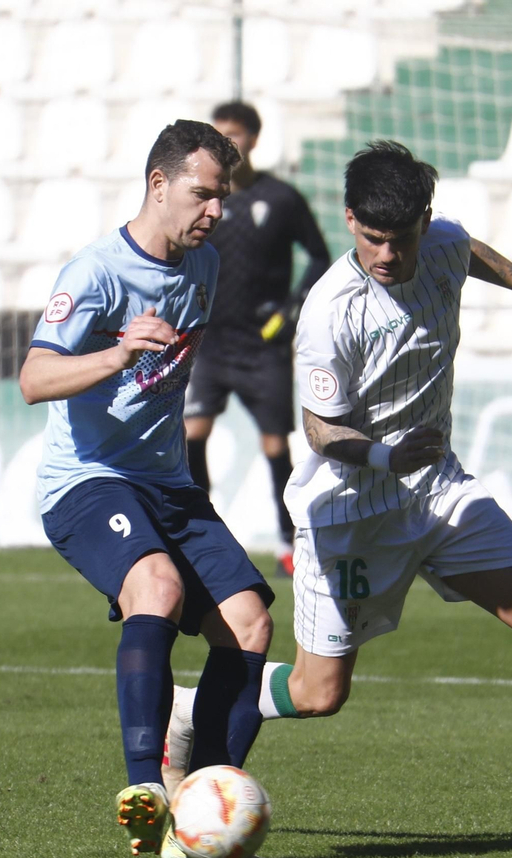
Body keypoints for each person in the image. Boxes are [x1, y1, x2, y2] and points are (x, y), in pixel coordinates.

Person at [166, 141, 512, 847]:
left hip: (437, 492)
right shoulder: (332, 310)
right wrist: (387, 454)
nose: (387, 255)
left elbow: (469, 251)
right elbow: (317, 429)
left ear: (426, 221)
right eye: (370, 238)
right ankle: (192, 707)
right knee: (319, 694)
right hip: (349, 513)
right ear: (348, 220)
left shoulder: (443, 242)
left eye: (400, 238)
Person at [20, 120, 276, 858]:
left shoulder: (205, 266)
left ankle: (206, 799)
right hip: (87, 483)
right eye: (202, 193)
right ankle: (147, 794)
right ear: (158, 186)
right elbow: (34, 379)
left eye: (221, 196)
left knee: (251, 622)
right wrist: (117, 351)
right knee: (156, 587)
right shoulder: (95, 273)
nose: (215, 211)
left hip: (166, 482)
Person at [184, 101, 331, 578]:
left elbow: (319, 257)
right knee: (192, 433)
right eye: (219, 135)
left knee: (274, 446)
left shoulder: (281, 198)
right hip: (210, 340)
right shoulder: (204, 198)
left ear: (253, 139)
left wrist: (290, 311)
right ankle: (199, 535)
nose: (229, 144)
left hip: (262, 344)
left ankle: (290, 543)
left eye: (236, 135)